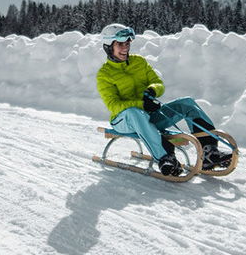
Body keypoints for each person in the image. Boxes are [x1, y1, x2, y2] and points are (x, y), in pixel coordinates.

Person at [95, 23, 233, 177]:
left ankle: (209, 152)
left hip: (148, 115)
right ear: (108, 46)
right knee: (135, 113)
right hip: (124, 121)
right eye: (120, 44)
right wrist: (141, 104)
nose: (125, 48)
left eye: (127, 43)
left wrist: (152, 90)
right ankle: (165, 158)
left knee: (186, 103)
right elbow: (113, 105)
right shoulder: (104, 74)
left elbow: (158, 83)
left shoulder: (139, 62)